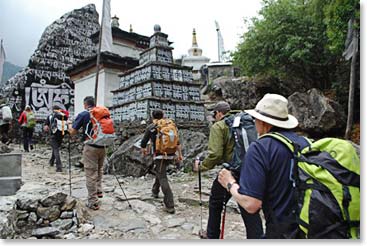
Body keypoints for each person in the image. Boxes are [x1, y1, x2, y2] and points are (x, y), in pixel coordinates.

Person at [218, 94, 310, 239]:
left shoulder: (260, 149)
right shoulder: (305, 143)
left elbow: (251, 204)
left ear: (262, 122)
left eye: (255, 119)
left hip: (281, 232)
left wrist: (229, 183)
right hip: (309, 228)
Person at [193, 101, 263, 239]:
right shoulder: (247, 121)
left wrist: (201, 166)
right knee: (249, 208)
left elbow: (216, 154)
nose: (214, 117)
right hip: (251, 169)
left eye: (215, 114)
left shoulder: (219, 126)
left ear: (219, 113)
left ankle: (212, 235)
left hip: (231, 171)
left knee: (215, 202)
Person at [140, 109, 183, 214]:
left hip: (159, 156)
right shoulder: (171, 125)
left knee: (162, 176)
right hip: (171, 154)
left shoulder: (151, 127)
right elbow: (177, 142)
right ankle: (155, 191)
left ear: (152, 117)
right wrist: (179, 155)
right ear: (163, 115)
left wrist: (144, 150)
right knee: (160, 172)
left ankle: (170, 205)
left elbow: (143, 143)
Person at [68, 96, 105, 210]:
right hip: (102, 145)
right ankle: (98, 190)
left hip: (90, 147)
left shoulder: (84, 114)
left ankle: (93, 201)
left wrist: (69, 124)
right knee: (99, 169)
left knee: (90, 173)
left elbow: (73, 132)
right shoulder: (102, 113)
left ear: (85, 104)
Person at [44, 105, 69, 172]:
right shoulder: (63, 115)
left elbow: (46, 126)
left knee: (55, 149)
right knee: (56, 148)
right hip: (61, 134)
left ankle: (59, 166)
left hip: (53, 134)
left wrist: (47, 129)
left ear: (53, 109)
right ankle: (51, 161)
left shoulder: (51, 116)